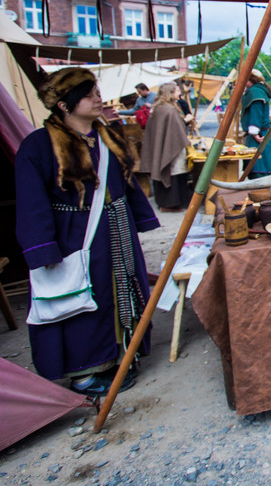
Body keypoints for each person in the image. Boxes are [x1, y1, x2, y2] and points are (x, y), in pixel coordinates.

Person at [15, 67, 159, 396]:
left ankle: (122, 355)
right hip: (74, 236)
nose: (97, 98)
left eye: (96, 90)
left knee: (123, 291)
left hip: (117, 231)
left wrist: (140, 217)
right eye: (88, 93)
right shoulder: (37, 147)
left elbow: (126, 184)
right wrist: (42, 248)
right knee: (81, 300)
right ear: (64, 105)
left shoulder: (107, 135)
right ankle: (86, 372)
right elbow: (31, 202)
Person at [140, 82, 192, 211]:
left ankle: (170, 202)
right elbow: (176, 128)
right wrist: (186, 120)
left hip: (164, 146)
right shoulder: (168, 109)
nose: (180, 92)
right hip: (170, 147)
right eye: (177, 90)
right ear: (170, 92)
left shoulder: (161, 107)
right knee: (173, 172)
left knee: (173, 172)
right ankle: (170, 203)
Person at [240, 69, 271, 178]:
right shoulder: (259, 90)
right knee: (262, 172)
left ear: (250, 79)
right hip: (261, 134)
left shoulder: (255, 92)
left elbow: (256, 113)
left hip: (259, 136)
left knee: (259, 173)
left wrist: (255, 134)